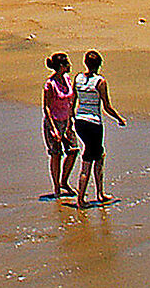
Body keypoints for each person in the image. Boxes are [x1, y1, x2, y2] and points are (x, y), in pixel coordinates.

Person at [71, 50, 124, 205]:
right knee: (89, 160)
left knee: (99, 155)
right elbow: (106, 106)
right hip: (94, 124)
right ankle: (81, 199)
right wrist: (119, 118)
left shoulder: (78, 78)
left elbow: (73, 101)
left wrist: (71, 120)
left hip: (80, 122)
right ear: (99, 64)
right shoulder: (100, 82)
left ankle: (100, 193)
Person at [42, 53, 78, 200]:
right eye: (67, 63)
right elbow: (47, 107)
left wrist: (71, 121)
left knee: (73, 150)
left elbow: (71, 101)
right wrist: (53, 129)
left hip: (66, 121)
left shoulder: (68, 79)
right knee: (56, 155)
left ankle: (64, 181)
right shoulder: (50, 84)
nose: (69, 65)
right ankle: (56, 186)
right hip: (54, 122)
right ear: (61, 66)